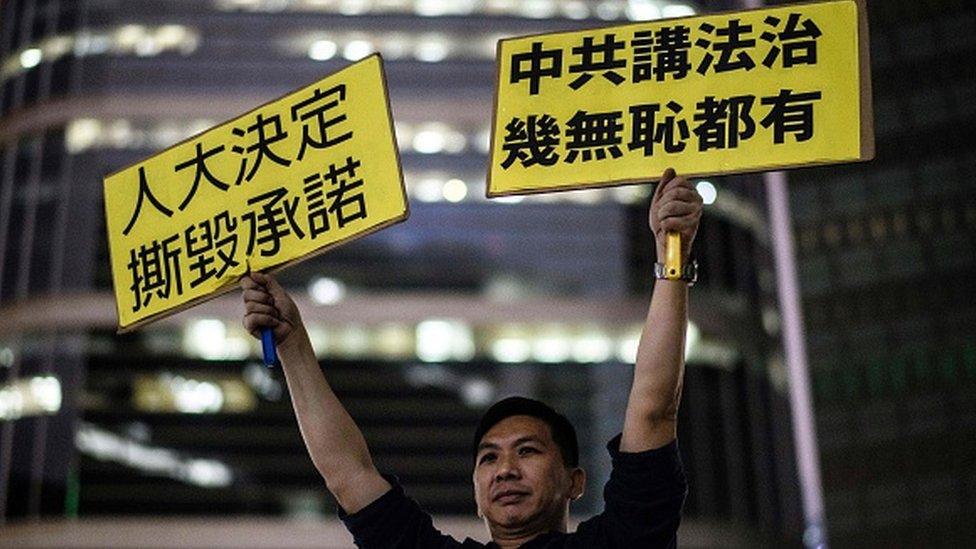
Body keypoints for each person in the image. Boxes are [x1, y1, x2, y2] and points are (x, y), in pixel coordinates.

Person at [240, 168, 703, 548]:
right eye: (488, 458)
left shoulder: (619, 544)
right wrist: (292, 342)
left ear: (575, 482)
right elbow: (347, 474)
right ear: (476, 493)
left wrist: (672, 264)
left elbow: (653, 408)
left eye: (528, 451)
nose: (505, 470)